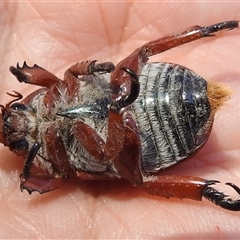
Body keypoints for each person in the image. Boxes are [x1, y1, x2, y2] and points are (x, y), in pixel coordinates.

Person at [0, 2, 239, 238]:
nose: (19, 126)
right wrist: (30, 181)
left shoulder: (55, 88)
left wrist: (89, 69)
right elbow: (60, 177)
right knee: (130, 172)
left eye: (17, 111)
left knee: (140, 54)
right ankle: (207, 192)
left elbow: (70, 74)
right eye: (18, 143)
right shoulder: (54, 161)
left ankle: (204, 31)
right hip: (154, 135)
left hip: (163, 88)